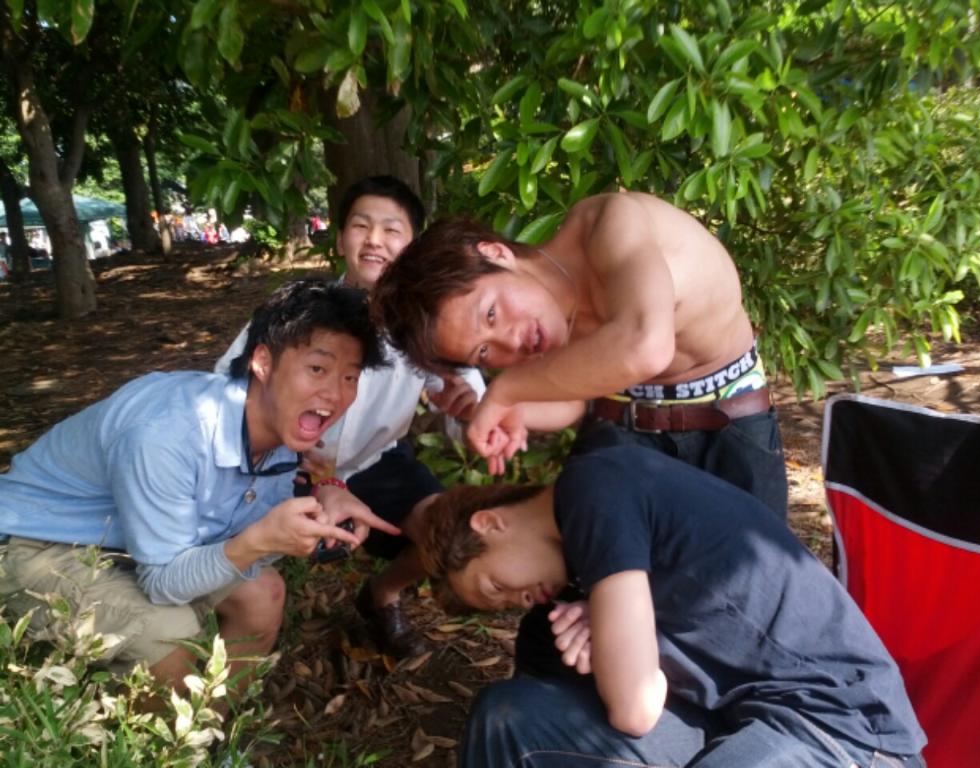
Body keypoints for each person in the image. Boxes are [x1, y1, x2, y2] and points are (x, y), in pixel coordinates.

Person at [0, 279, 399, 696]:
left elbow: (243, 536)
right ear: (263, 361)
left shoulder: (279, 431)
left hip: (123, 542)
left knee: (262, 595)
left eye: (350, 377)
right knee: (169, 633)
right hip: (33, 544)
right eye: (317, 369)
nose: (334, 393)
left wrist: (322, 498)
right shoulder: (168, 434)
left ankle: (214, 729)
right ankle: (166, 736)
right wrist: (260, 540)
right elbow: (166, 582)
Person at [420, 445, 928, 768]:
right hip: (730, 721)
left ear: (490, 523)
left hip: (839, 729)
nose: (517, 601)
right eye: (503, 605)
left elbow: (637, 710)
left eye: (496, 586)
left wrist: (620, 650)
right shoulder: (577, 578)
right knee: (507, 716)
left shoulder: (593, 489)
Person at [372, 192, 787, 518]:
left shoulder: (610, 224)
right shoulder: (543, 330)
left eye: (492, 313)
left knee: (755, 580)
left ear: (494, 253)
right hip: (623, 428)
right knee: (603, 577)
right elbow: (574, 402)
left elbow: (646, 346)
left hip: (730, 422)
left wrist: (507, 391)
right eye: (484, 351)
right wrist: (510, 412)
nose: (510, 343)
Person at [216, 175, 486, 657]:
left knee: (451, 533)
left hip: (374, 462)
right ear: (341, 239)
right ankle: (220, 611)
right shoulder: (298, 307)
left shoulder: (430, 324)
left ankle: (382, 594)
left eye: (392, 230)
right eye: (361, 226)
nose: (375, 240)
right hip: (285, 460)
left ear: (413, 246)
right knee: (242, 559)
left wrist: (469, 410)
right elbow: (227, 384)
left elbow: (469, 410)